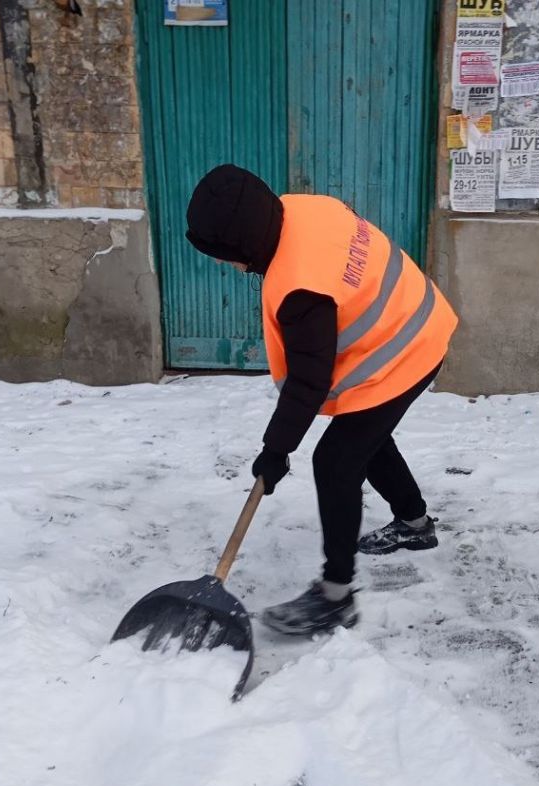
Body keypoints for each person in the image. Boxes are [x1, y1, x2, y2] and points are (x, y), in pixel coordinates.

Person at [185, 164, 458, 635]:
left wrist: (276, 451)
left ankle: (336, 596)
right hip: (415, 318)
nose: (226, 266)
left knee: (335, 461)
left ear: (242, 244)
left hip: (402, 351)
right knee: (364, 436)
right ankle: (415, 524)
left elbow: (308, 381)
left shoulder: (299, 286)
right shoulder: (306, 209)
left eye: (224, 256)